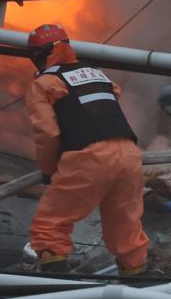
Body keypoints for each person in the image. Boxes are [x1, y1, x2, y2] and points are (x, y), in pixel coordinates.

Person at [23, 24, 149, 276]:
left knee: (50, 226)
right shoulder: (98, 74)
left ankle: (54, 292)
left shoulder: (45, 83)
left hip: (88, 156)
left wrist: (50, 171)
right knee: (125, 228)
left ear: (38, 56)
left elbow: (47, 134)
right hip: (129, 153)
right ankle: (138, 293)